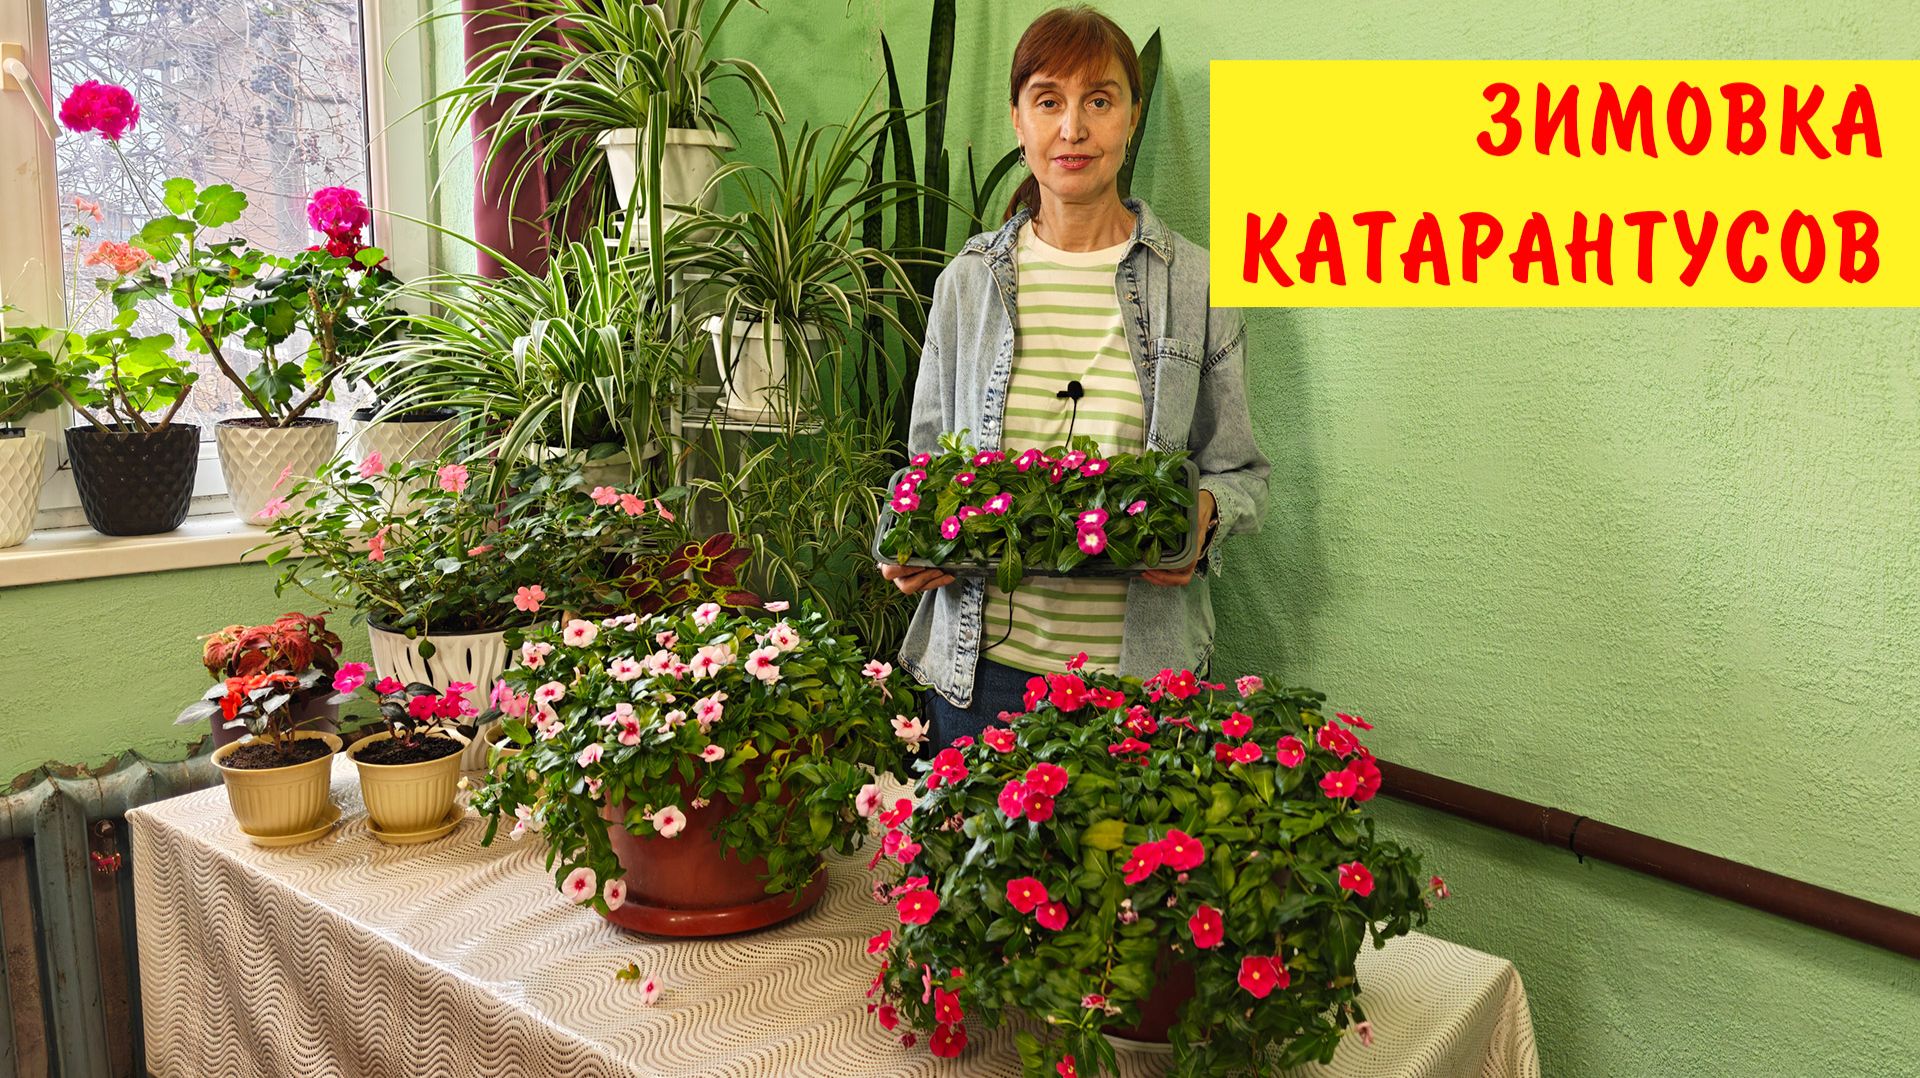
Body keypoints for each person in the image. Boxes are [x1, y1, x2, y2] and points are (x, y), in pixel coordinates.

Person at [882, 4, 1268, 745]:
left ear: (1132, 116)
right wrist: (911, 541)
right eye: (1048, 101)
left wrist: (1204, 515)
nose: (1073, 129)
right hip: (982, 677)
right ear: (1018, 120)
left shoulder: (1196, 285)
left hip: (1142, 682)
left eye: (1099, 100)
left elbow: (1241, 472)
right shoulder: (969, 283)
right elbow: (927, 466)